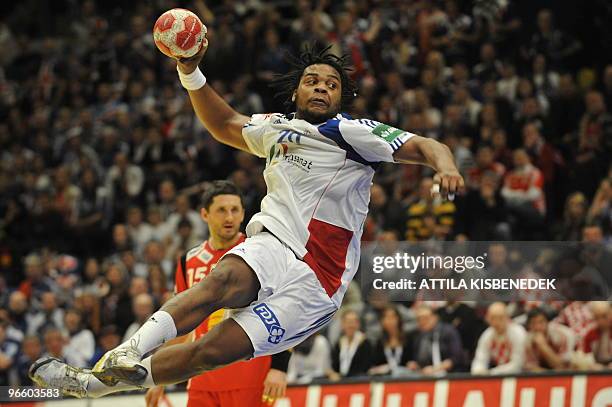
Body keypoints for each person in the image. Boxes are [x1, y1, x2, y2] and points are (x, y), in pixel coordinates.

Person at [30, 42, 463, 398]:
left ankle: (99, 387)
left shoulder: (353, 133)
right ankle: (112, 365)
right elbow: (225, 123)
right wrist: (190, 71)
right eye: (311, 81)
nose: (320, 89)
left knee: (210, 352)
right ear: (295, 93)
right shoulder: (275, 128)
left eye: (331, 85)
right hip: (272, 242)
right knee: (218, 283)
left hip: (319, 282)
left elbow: (426, 144)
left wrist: (445, 167)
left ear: (340, 98)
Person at [145, 181, 289, 407]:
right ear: (204, 214)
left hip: (251, 376)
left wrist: (280, 366)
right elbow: (183, 325)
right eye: (221, 210)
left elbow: (285, 309)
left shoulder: (260, 251)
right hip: (202, 379)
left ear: (243, 214)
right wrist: (162, 373)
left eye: (235, 210)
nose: (229, 217)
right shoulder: (188, 261)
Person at [471, 302, 527, 375]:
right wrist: (478, 371)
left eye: (500, 318)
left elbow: (517, 364)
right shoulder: (487, 335)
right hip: (499, 374)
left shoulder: (518, 332)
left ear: (507, 317)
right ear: (487, 319)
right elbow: (480, 359)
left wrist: (492, 373)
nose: (496, 322)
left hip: (524, 374)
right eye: (493, 318)